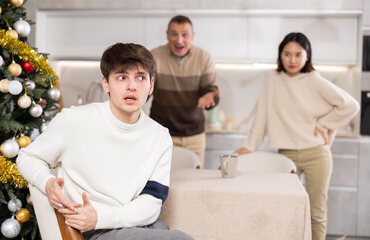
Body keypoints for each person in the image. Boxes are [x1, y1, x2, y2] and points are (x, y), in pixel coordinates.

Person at [17, 43, 193, 240]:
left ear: (151, 85)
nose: (132, 86)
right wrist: (47, 182)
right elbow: (27, 156)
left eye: (140, 78)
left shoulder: (159, 136)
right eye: (121, 77)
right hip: (90, 231)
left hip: (127, 223)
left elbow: (152, 202)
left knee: (164, 229)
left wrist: (103, 217)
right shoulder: (74, 120)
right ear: (106, 83)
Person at [234, 32, 360, 240]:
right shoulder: (273, 79)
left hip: (316, 154)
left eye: (298, 55)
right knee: (286, 208)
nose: (292, 60)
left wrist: (324, 124)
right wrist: (250, 146)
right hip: (286, 155)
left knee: (316, 211)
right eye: (287, 54)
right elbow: (262, 115)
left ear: (307, 56)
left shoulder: (315, 80)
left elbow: (350, 105)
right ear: (280, 55)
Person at [150, 15, 220, 168]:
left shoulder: (204, 57)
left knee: (193, 182)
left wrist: (209, 98)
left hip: (194, 135)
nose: (179, 40)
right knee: (160, 180)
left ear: (192, 36)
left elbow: (211, 91)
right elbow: (146, 88)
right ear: (167, 35)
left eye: (185, 35)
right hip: (161, 133)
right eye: (174, 34)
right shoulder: (154, 56)